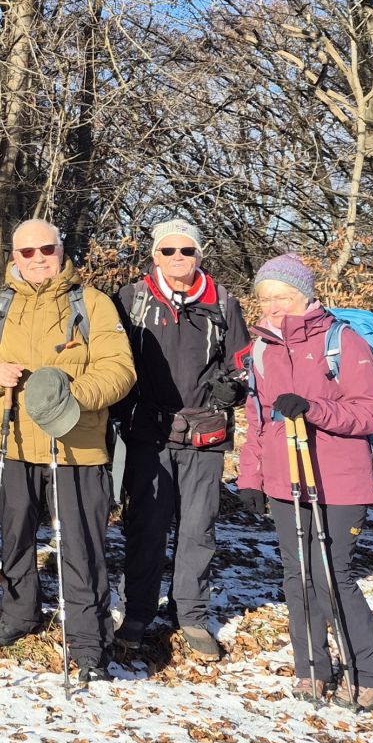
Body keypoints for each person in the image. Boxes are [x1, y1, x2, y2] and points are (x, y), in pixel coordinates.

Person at [0, 219, 136, 684]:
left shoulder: (93, 303)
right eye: (27, 252)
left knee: (81, 546)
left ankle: (88, 639)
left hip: (77, 447)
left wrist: (70, 395)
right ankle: (19, 615)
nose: (38, 259)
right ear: (13, 258)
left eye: (46, 249)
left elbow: (120, 369)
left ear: (61, 250)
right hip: (13, 443)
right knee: (14, 539)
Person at [237, 255, 373, 710]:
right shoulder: (262, 349)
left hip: (339, 481)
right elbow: (259, 420)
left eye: (283, 297)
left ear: (305, 296)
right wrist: (252, 477)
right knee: (297, 577)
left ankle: (372, 674)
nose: (274, 306)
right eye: (266, 298)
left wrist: (313, 409)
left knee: (332, 577)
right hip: (285, 482)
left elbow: (369, 413)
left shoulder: (341, 342)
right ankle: (312, 669)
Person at [112, 219, 248, 661]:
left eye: (186, 251)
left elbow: (243, 363)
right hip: (147, 432)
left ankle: (191, 614)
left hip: (205, 433)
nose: (177, 259)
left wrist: (235, 389)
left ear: (199, 255)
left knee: (197, 528)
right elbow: (113, 362)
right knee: (145, 527)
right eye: (168, 251)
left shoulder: (223, 302)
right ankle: (138, 612)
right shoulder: (130, 300)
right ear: (154, 255)